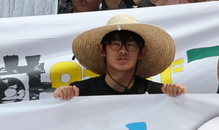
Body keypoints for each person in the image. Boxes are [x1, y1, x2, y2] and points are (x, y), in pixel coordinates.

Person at [54, 14, 186, 98]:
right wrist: (61, 96)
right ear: (102, 49)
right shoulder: (80, 91)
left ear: (142, 52)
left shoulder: (158, 92)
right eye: (115, 44)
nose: (123, 51)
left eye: (131, 45)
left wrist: (179, 95)